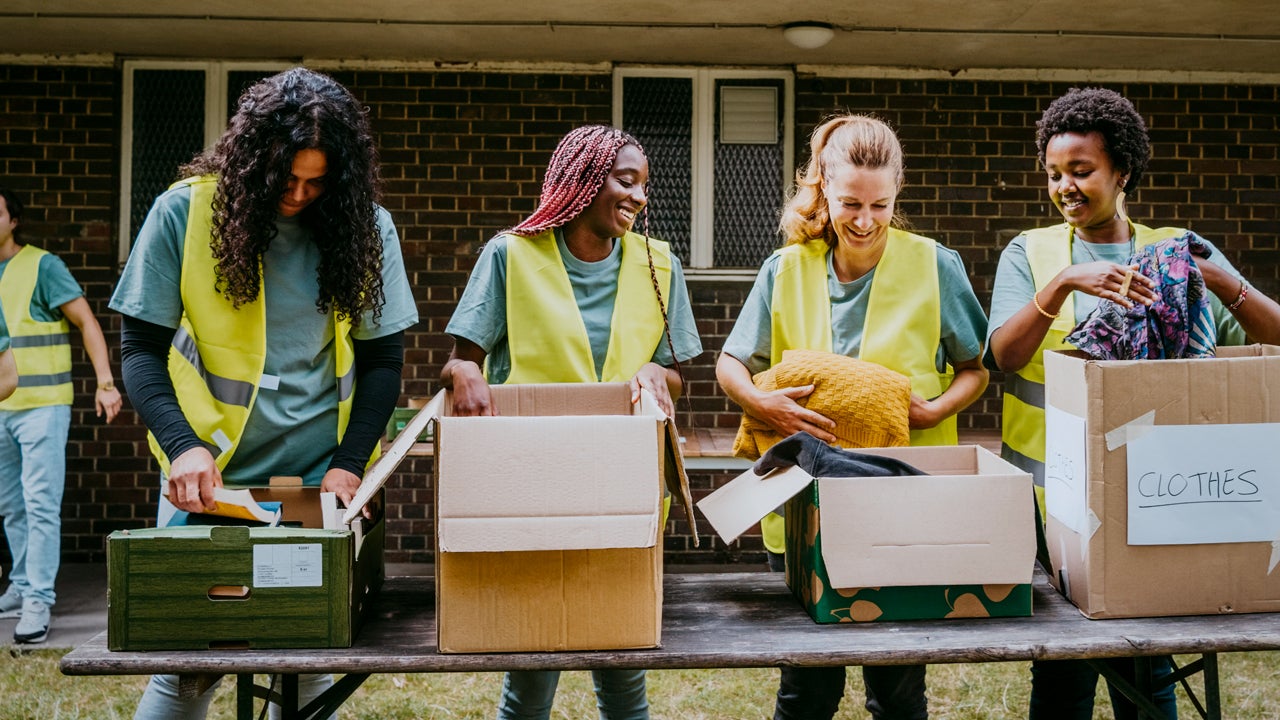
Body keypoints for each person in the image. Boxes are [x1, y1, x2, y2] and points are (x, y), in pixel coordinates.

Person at [111, 67, 418, 719]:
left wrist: (349, 465)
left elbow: (383, 362)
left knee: (305, 656)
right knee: (187, 666)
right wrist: (183, 446)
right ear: (253, 162)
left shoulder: (367, 226)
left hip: (310, 482)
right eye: (287, 179)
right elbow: (140, 350)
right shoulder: (184, 212)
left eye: (317, 181)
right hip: (210, 479)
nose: (300, 195)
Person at [985, 87, 1280, 720]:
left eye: (1081, 171)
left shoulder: (1176, 250)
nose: (1065, 186)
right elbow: (1004, 357)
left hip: (1154, 496)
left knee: (1148, 671)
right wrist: (1064, 283)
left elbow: (1272, 332)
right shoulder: (1030, 253)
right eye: (1055, 173)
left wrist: (1223, 282)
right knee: (1060, 673)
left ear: (1122, 172)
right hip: (1052, 500)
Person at [716, 114, 989, 720]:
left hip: (902, 500)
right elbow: (731, 363)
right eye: (849, 204)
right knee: (807, 688)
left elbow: (977, 368)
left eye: (880, 205)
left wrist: (935, 408)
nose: (864, 221)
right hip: (804, 502)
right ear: (822, 186)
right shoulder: (784, 269)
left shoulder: (936, 266)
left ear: (897, 194)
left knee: (897, 690)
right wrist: (761, 403)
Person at [441, 124, 702, 720]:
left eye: (644, 185)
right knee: (533, 669)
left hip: (626, 491)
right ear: (584, 181)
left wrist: (662, 377)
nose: (639, 196)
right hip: (533, 488)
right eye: (626, 181)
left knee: (625, 667)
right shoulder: (510, 254)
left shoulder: (659, 264)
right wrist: (462, 376)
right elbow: (460, 362)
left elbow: (674, 376)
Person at [0, 186, 122, 644]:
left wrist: (106, 383)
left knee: (40, 503)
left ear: (15, 220)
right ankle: (20, 583)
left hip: (43, 407)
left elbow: (87, 321)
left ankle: (38, 599)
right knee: (11, 506)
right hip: (1, 409)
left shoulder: (42, 266)